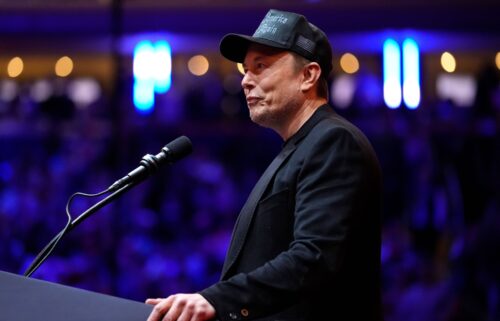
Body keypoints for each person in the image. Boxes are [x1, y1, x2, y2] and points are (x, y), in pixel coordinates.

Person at [146, 9, 383, 321]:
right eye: (246, 69)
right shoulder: (302, 145)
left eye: (261, 67)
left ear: (308, 76)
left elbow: (314, 257)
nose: (245, 80)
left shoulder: (334, 141)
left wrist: (217, 300)